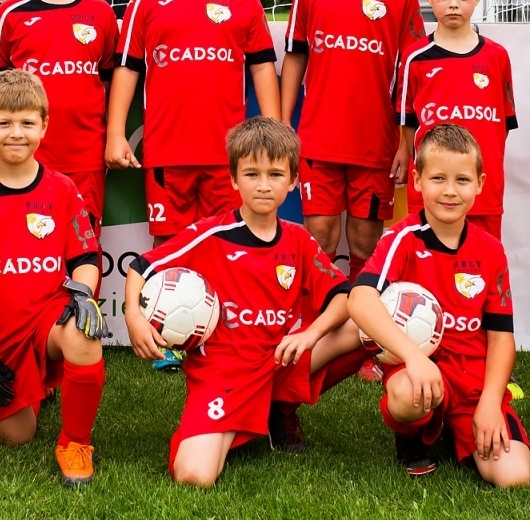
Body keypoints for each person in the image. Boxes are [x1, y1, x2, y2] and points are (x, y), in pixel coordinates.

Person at [124, 118, 363, 487]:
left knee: (365, 325)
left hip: (280, 359)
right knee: (194, 476)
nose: (263, 185)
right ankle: (251, 413)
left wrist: (309, 334)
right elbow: (140, 267)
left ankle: (279, 406)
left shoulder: (298, 240)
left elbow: (343, 297)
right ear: (234, 179)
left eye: (275, 174)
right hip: (225, 374)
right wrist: (134, 317)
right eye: (252, 174)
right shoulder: (211, 234)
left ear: (293, 180)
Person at [0, 71, 107, 486]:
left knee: (83, 334)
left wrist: (83, 294)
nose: (16, 133)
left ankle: (75, 443)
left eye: (27, 123)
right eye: (4, 123)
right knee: (16, 437)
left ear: (44, 126)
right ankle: (32, 383)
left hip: (48, 319)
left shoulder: (62, 189)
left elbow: (86, 257)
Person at [350, 124, 530, 488]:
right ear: (417, 181)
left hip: (472, 382)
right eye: (438, 178)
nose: (450, 191)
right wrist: (413, 357)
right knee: (407, 394)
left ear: (480, 183)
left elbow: (501, 337)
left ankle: (456, 426)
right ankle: (412, 435)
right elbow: (360, 299)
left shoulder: (491, 251)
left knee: (515, 477)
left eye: (462, 180)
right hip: (421, 374)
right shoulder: (402, 239)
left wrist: (490, 403)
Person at [105, 0, 279, 243]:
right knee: (169, 245)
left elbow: (262, 67)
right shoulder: (146, 1)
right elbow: (127, 69)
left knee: (228, 243)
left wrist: (275, 130)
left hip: (229, 152)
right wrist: (115, 134)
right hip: (167, 152)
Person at [280, 0, 423, 268]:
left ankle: (362, 310)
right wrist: (282, 123)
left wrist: (405, 142)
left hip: (375, 142)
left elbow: (411, 70)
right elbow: (296, 55)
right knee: (319, 236)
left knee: (365, 241)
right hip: (318, 139)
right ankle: (321, 309)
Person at [0, 0, 118, 223]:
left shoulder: (101, 14)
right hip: (27, 154)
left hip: (85, 156)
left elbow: (108, 80)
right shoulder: (11, 14)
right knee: (29, 237)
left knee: (83, 240)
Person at [397, 0, 517, 235]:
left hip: (483, 193)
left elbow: (503, 125)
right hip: (431, 194)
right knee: (428, 258)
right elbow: (408, 123)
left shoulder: (497, 57)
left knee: (481, 259)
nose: (454, 4)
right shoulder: (414, 58)